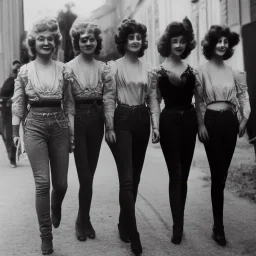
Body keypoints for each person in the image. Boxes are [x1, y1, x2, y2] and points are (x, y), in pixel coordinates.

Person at [12, 17, 75, 255]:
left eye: (50, 38)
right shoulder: (25, 71)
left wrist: (72, 134)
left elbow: (69, 104)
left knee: (61, 184)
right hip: (35, 125)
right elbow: (19, 102)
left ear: (56, 41)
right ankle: (46, 236)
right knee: (42, 184)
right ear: (34, 42)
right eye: (41, 38)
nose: (46, 42)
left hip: (59, 125)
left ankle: (55, 205)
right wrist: (17, 132)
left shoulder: (64, 70)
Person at [103, 19, 160, 255]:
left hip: (142, 121)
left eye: (139, 37)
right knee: (126, 179)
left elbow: (153, 98)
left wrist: (155, 125)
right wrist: (109, 127)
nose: (135, 41)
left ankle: (123, 222)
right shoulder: (114, 67)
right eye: (131, 37)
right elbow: (108, 98)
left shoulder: (149, 68)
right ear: (124, 41)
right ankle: (134, 233)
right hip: (122, 118)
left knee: (135, 178)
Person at [195, 25, 251, 246]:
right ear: (211, 44)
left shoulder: (234, 72)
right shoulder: (201, 71)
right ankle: (218, 226)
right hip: (211, 121)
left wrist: (244, 119)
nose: (222, 45)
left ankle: (217, 224)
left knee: (223, 174)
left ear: (229, 46)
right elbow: (198, 102)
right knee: (217, 174)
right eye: (218, 41)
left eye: (226, 42)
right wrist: (200, 125)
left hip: (230, 121)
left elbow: (243, 97)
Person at [149, 17, 197, 245]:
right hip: (168, 123)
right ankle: (177, 226)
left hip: (189, 123)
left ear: (187, 43)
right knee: (175, 174)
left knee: (184, 175)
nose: (179, 45)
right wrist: (155, 126)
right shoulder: (158, 72)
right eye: (175, 41)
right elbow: (155, 101)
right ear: (167, 43)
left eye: (182, 41)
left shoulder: (192, 70)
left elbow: (201, 101)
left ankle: (180, 220)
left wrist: (203, 124)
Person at [68, 21, 109, 241]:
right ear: (77, 42)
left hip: (97, 119)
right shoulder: (69, 67)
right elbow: (68, 102)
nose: (88, 43)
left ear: (97, 41)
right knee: (85, 176)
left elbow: (109, 98)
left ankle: (83, 218)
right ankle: (82, 221)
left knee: (90, 174)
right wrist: (70, 132)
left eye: (92, 39)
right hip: (78, 119)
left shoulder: (103, 68)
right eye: (83, 39)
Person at [0, 60, 21, 167]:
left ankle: (12, 158)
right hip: (4, 110)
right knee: (4, 133)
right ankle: (11, 154)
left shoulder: (21, 81)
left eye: (17, 69)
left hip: (13, 111)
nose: (15, 71)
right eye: (14, 69)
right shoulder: (9, 80)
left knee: (11, 134)